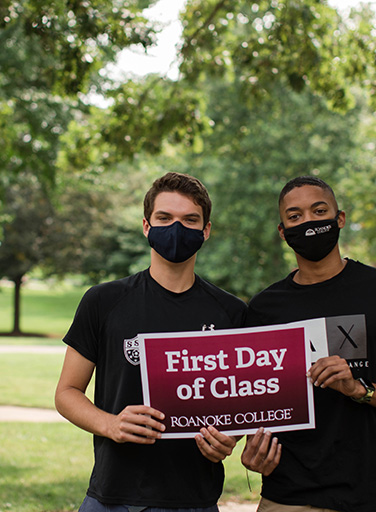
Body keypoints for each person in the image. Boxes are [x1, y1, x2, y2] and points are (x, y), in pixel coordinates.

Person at [55, 172, 247, 512]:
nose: (177, 228)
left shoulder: (231, 313)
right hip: (113, 497)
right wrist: (109, 424)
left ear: (206, 231)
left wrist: (229, 439)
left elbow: (244, 404)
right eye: (164, 218)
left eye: (190, 220)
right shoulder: (103, 301)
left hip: (195, 500)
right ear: (147, 226)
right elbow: (67, 393)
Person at [241, 176, 376, 512]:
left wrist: (359, 389)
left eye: (319, 210)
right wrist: (253, 448)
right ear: (283, 232)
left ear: (339, 219)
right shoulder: (264, 308)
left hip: (365, 492)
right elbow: (256, 403)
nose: (309, 222)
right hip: (287, 495)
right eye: (295, 216)